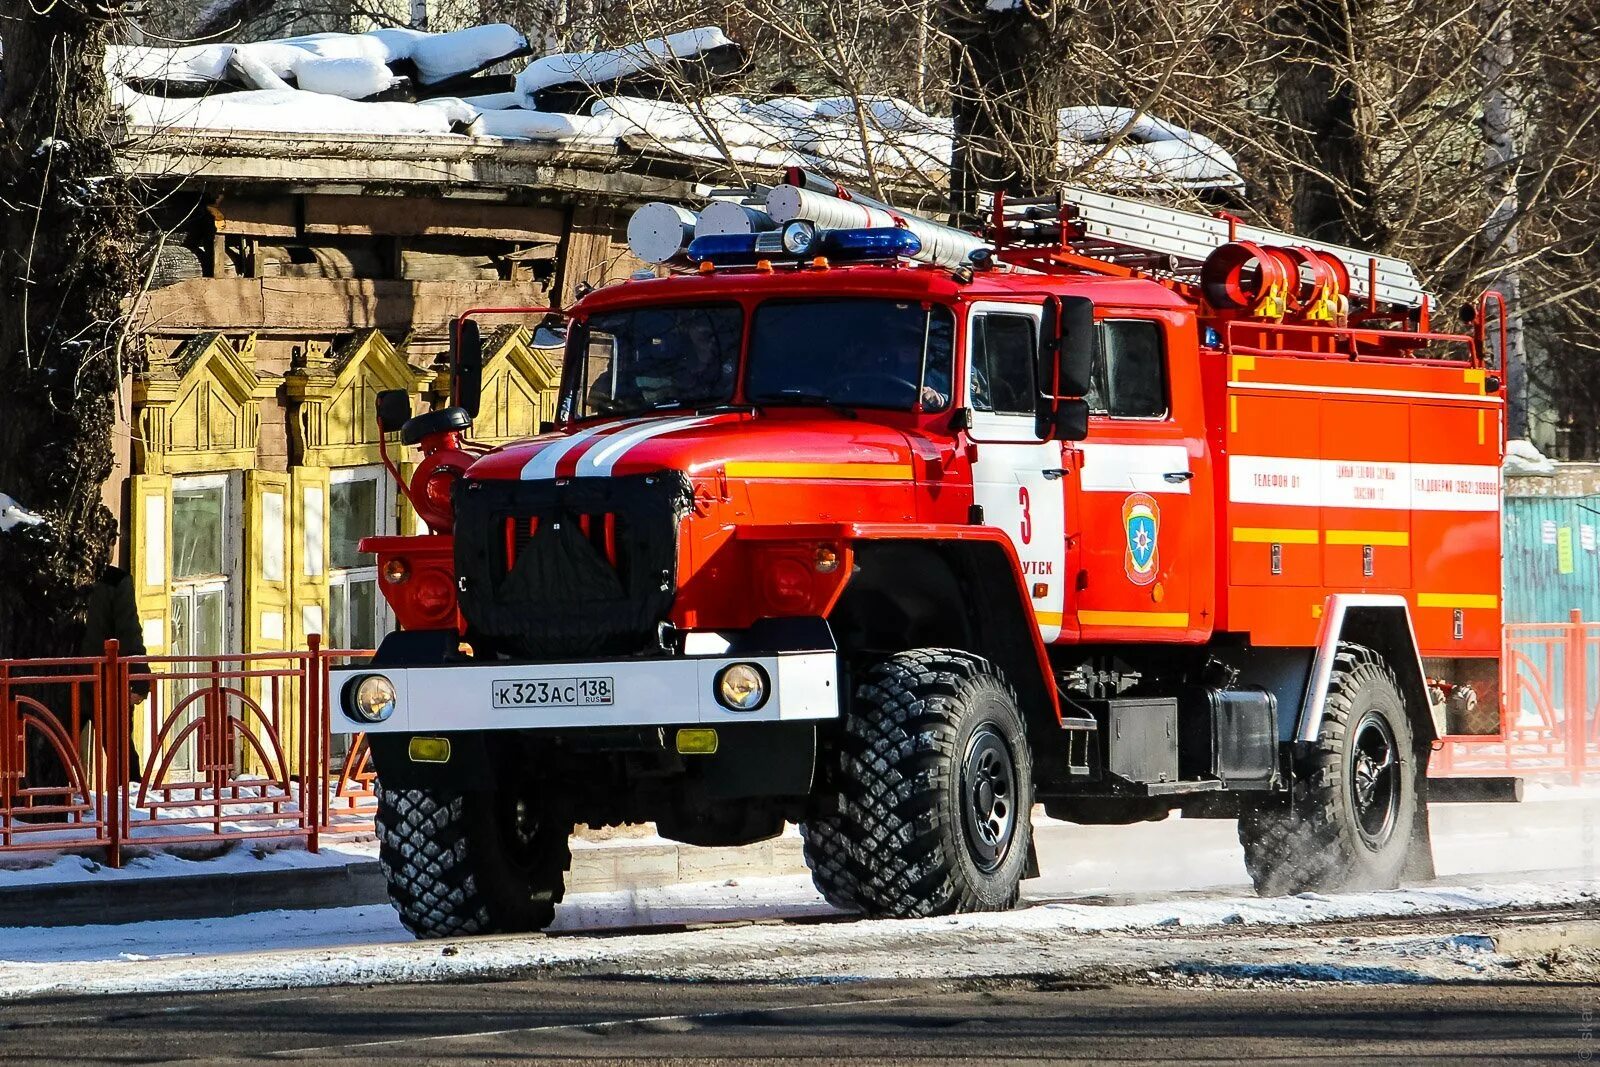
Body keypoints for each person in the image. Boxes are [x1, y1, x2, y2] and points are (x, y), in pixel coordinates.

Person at [78, 564, 149, 784]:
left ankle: (51, 801)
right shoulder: (115, 580)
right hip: (108, 681)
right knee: (120, 752)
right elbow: (129, 633)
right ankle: (131, 804)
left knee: (55, 749)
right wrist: (139, 680)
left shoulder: (58, 568)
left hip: (65, 677)